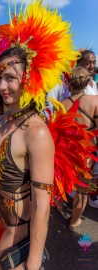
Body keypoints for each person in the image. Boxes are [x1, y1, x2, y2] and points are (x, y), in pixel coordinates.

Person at [0, 1, 86, 269]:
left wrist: (33, 263)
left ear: (29, 78)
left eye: (11, 78)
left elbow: (42, 206)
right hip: (4, 227)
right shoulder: (4, 119)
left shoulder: (36, 132)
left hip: (19, 237)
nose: (2, 85)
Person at [61, 66, 98, 230]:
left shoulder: (62, 104)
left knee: (67, 182)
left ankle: (62, 204)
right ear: (87, 81)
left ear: (69, 83)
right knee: (83, 190)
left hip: (67, 153)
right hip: (87, 154)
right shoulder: (95, 101)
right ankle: (74, 221)